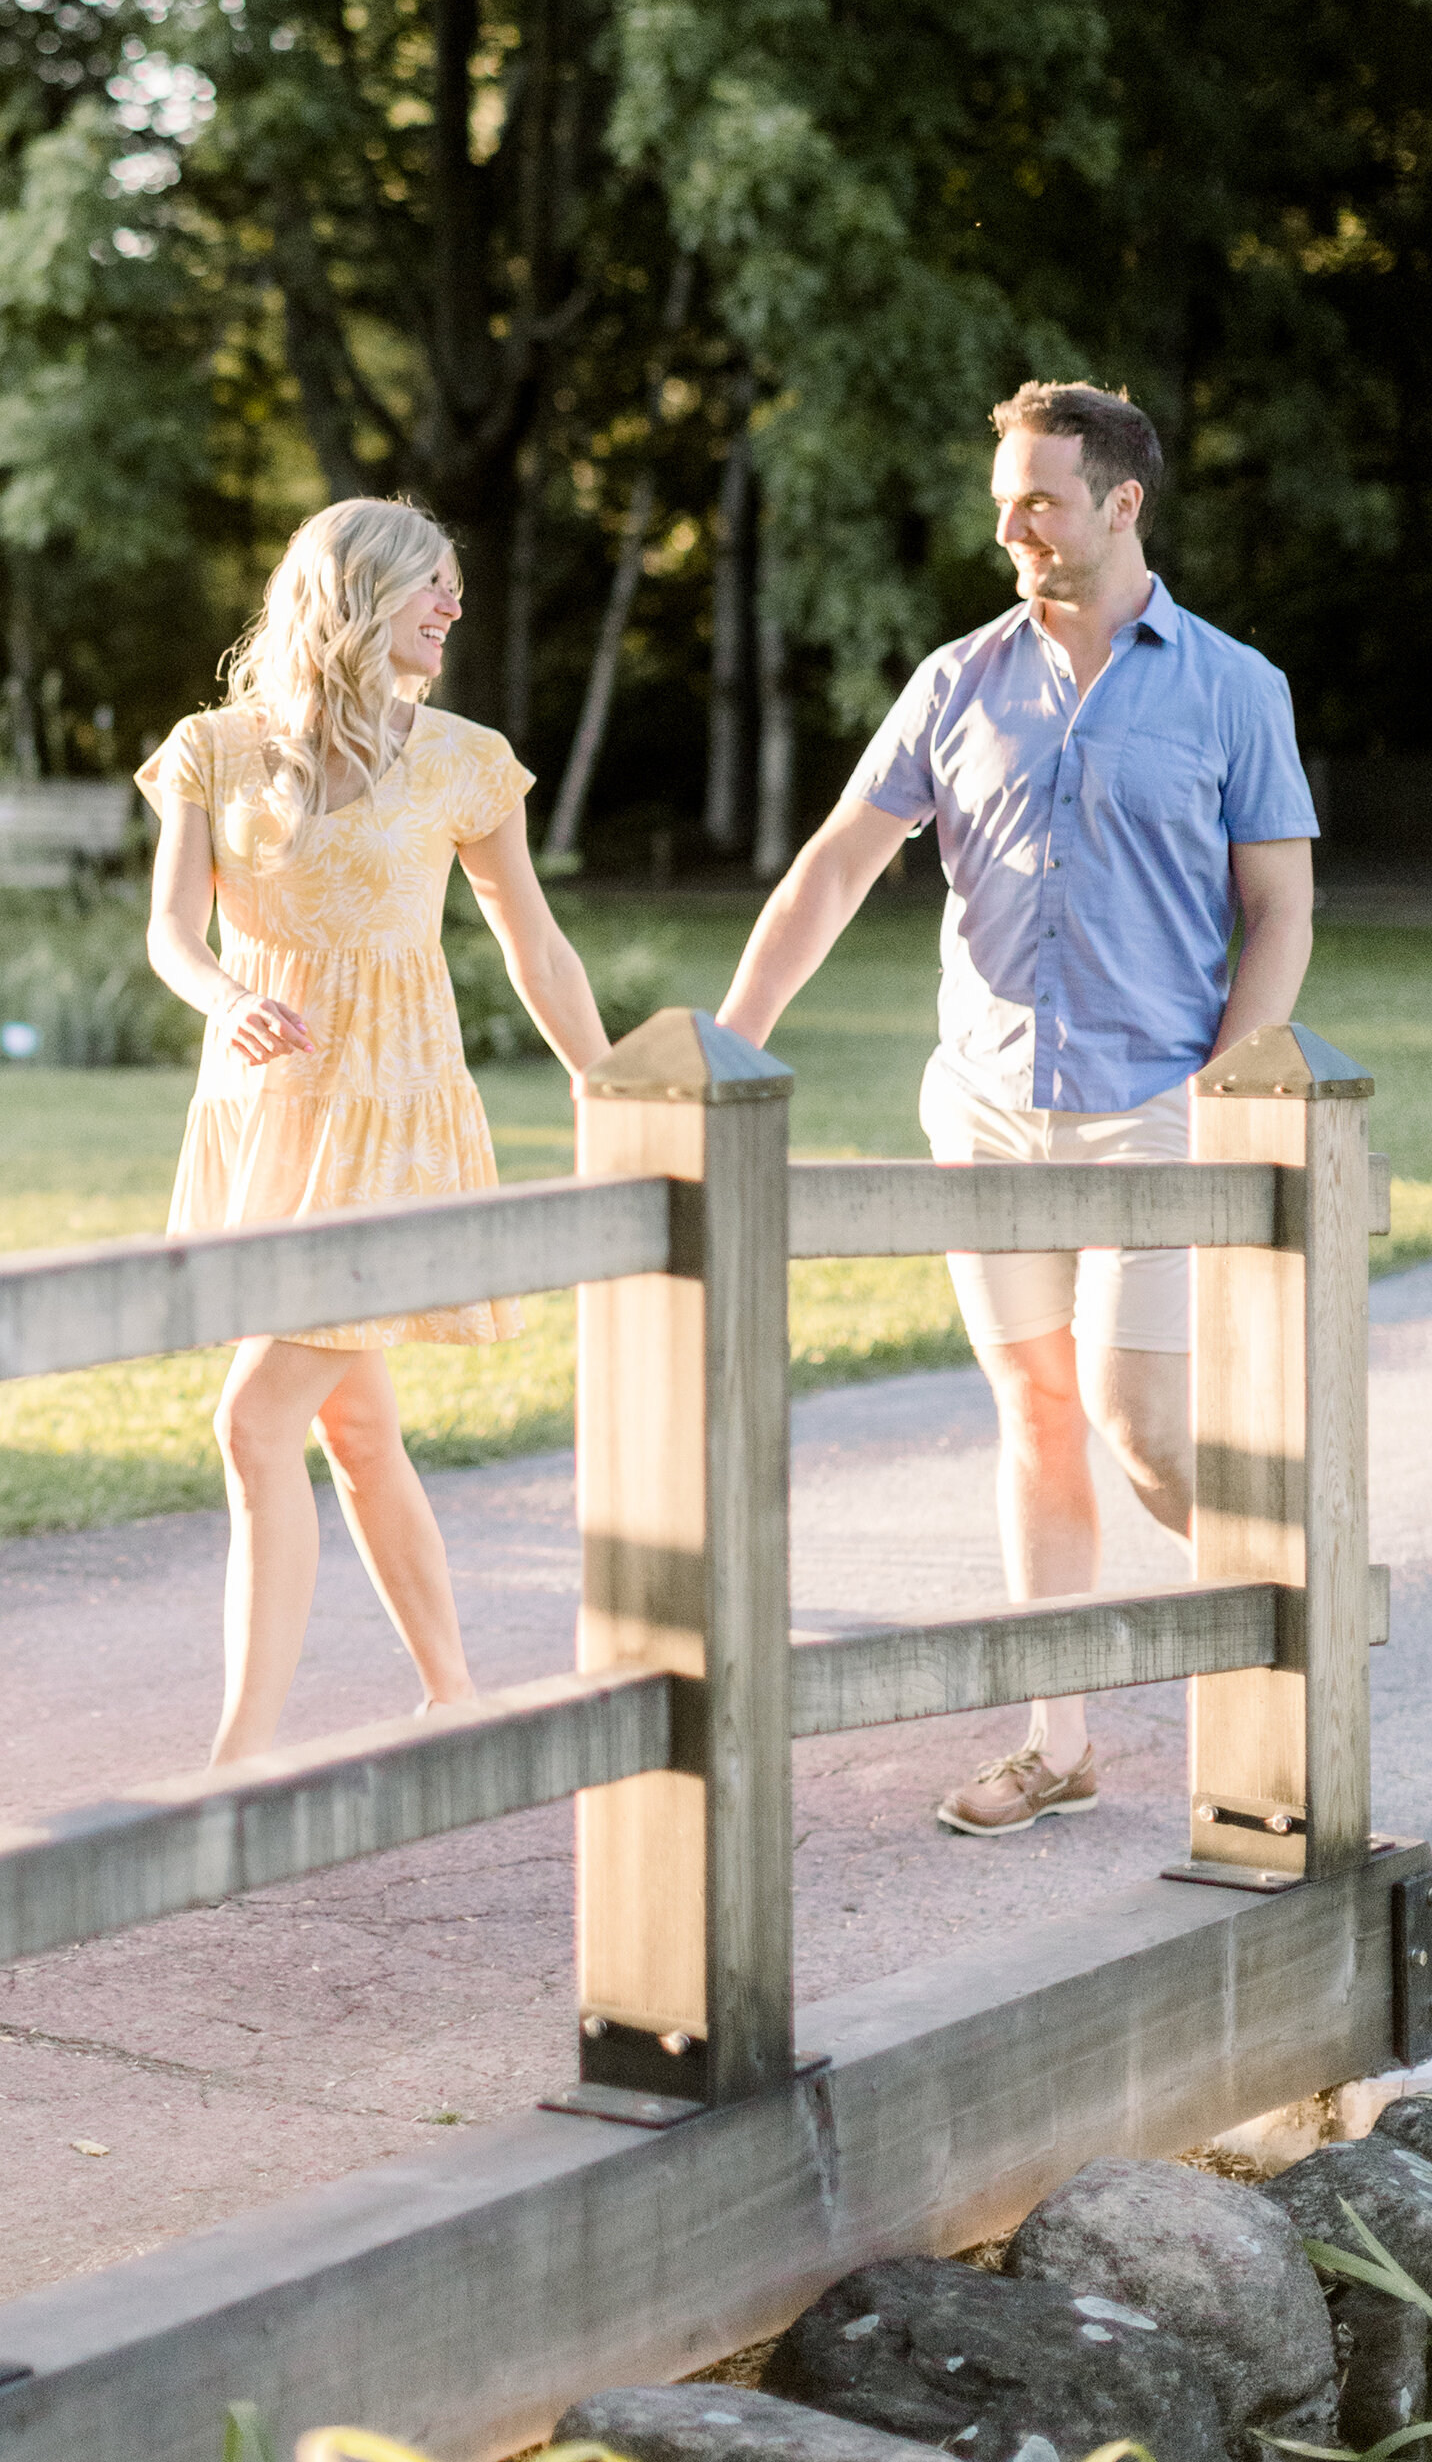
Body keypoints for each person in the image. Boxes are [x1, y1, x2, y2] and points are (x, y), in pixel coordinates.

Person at [714, 381, 1316, 1838]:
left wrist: (1236, 1081)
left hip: (1153, 1111)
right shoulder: (955, 682)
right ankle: (1061, 1742)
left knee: (1144, 1428)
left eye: (1040, 500)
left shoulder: (1235, 687)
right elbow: (835, 871)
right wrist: (727, 1045)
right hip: (985, 1107)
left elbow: (1279, 908)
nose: (1014, 528)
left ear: (1122, 502)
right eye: (1005, 503)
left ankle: (1299, 1612)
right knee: (1040, 1412)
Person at [137, 496, 616, 1766]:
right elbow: (171, 936)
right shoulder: (214, 749)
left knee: (254, 1422)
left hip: (397, 1116)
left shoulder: (467, 759)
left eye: (458, 587)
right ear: (355, 597)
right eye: (435, 587)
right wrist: (230, 997)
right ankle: (454, 1699)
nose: (457, 606)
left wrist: (611, 1082)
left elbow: (536, 944)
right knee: (354, 1429)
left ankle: (237, 1757)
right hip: (266, 1111)